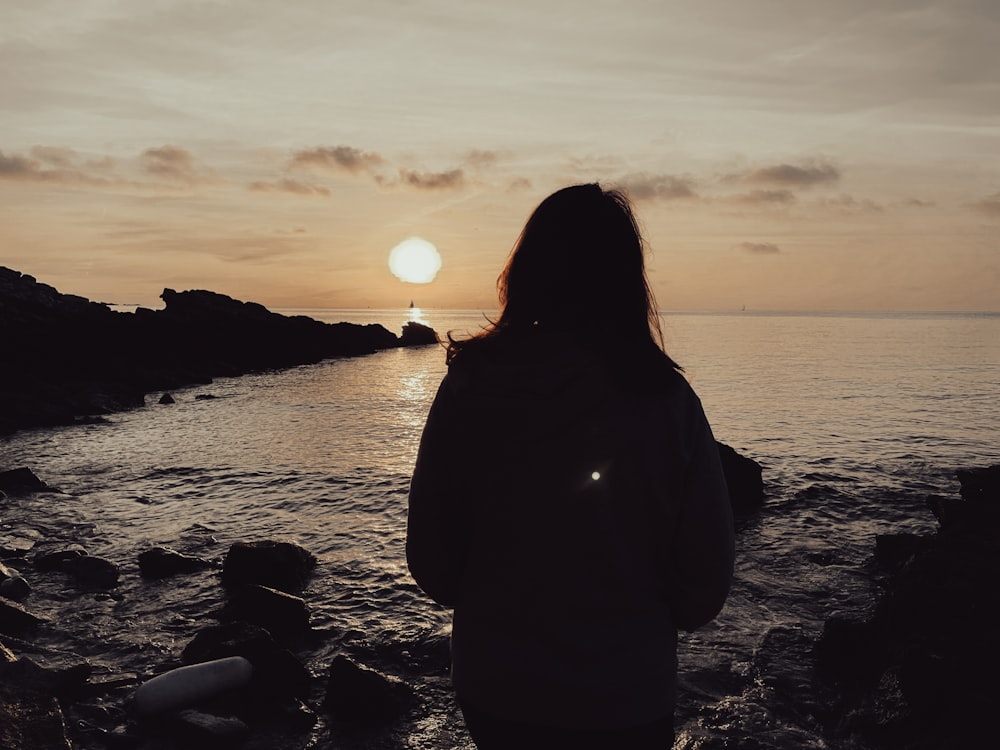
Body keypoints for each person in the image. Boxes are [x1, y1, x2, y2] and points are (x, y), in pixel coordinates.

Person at [406, 183, 735, 749]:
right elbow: (705, 585)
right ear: (627, 280)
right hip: (624, 695)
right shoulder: (666, 400)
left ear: (527, 271)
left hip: (497, 687)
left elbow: (431, 561)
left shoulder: (469, 386)